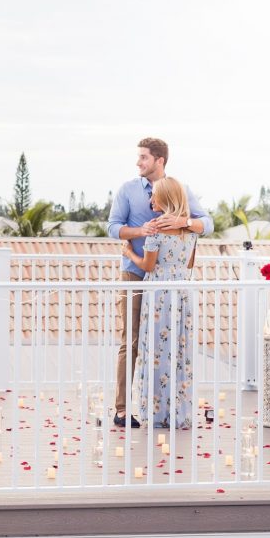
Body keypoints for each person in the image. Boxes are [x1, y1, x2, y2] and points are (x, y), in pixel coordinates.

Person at [106, 137, 212, 427]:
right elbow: (112, 227)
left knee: (166, 344)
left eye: (143, 157)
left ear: (159, 160)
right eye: (139, 157)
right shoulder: (127, 190)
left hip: (165, 281)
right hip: (135, 273)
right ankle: (122, 409)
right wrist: (141, 231)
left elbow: (207, 223)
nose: (138, 162)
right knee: (133, 341)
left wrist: (184, 223)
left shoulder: (180, 189)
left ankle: (161, 408)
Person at [122, 177, 197, 428]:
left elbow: (148, 265)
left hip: (158, 296)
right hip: (181, 293)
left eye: (154, 196)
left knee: (155, 351)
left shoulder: (154, 229)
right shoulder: (190, 233)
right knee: (177, 351)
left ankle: (155, 412)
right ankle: (177, 411)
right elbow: (189, 264)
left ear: (164, 199)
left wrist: (130, 253)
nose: (151, 200)